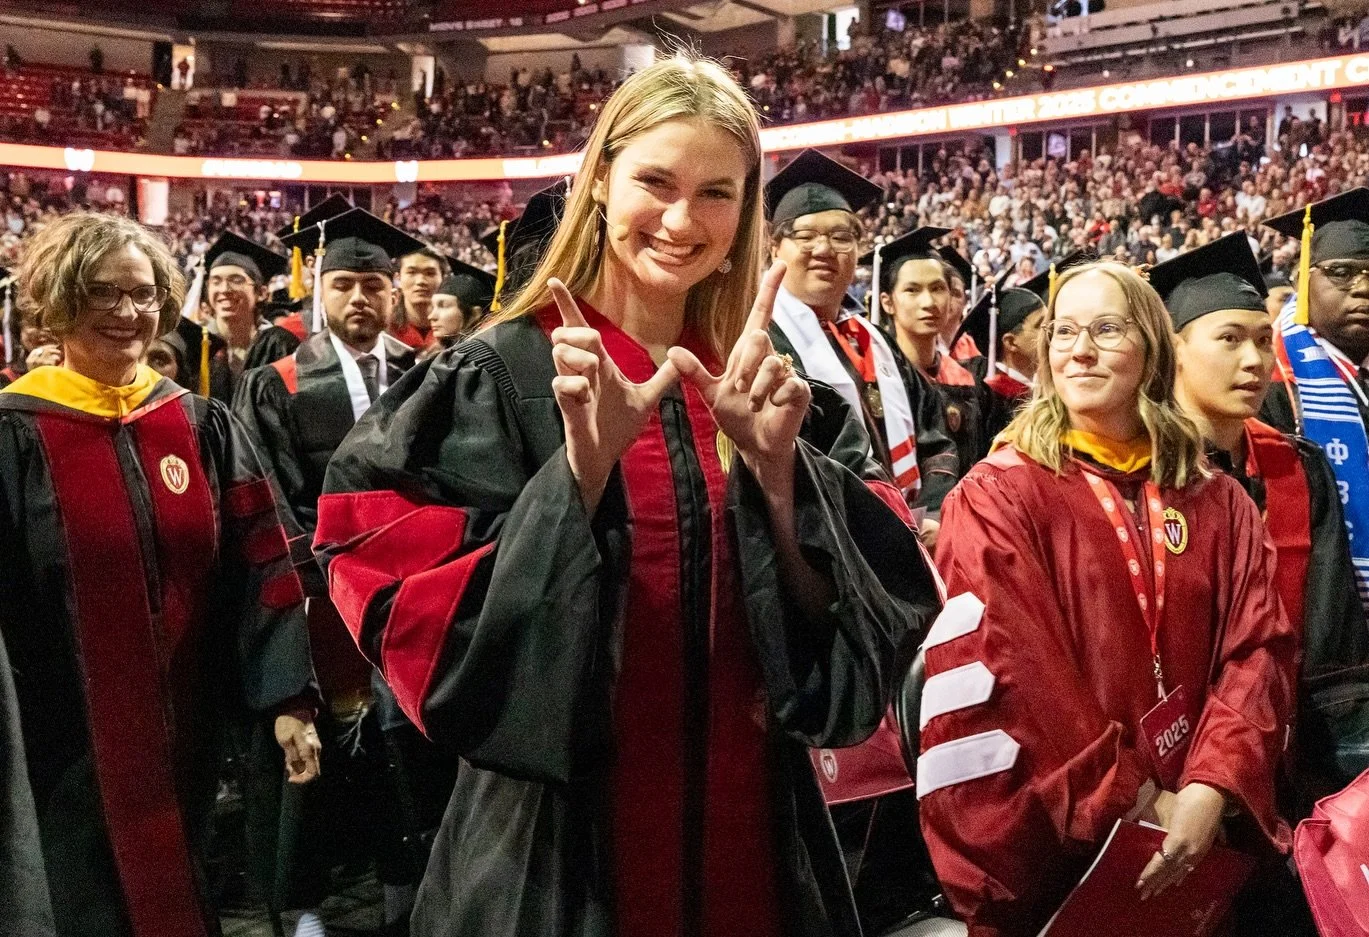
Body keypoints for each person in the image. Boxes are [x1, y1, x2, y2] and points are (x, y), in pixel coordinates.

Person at [314, 56, 940, 937]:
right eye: (655, 181)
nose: (683, 220)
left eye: (717, 193)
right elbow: (415, 616)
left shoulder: (768, 385)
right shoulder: (502, 374)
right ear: (600, 179)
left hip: (758, 842)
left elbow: (850, 647)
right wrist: (578, 480)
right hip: (554, 860)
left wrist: (777, 477)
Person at [919, 260, 1297, 937]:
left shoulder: (1217, 500)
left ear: (1151, 348)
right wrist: (1140, 800)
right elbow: (1016, 669)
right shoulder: (998, 494)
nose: (1078, 348)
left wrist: (1210, 788)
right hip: (1059, 846)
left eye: (1106, 328)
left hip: (1194, 826)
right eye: (1063, 330)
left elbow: (1256, 650)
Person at [0, 211, 320, 937]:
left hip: (187, 732)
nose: (128, 312)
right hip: (61, 744)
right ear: (59, 299)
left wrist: (287, 697)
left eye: (142, 294)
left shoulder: (200, 426)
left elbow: (262, 561)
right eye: (103, 293)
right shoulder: (14, 433)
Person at [236, 207, 442, 937]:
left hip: (408, 587)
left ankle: (401, 879)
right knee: (311, 744)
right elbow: (270, 489)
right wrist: (329, 567)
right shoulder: (277, 381)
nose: (360, 298)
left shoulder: (429, 374)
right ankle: (303, 903)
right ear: (319, 292)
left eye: (373, 285)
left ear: (392, 295)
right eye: (345, 284)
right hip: (317, 595)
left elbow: (442, 480)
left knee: (401, 737)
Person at [1154, 233, 1369, 826]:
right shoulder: (1135, 477)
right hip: (1172, 764)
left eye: (1261, 340)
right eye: (1229, 339)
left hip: (1290, 749)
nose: (1255, 361)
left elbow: (1331, 628)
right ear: (1171, 349)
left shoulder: (1298, 466)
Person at [765, 149, 959, 515]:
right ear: (775, 247)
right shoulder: (765, 339)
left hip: (916, 526)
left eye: (841, 237)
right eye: (805, 236)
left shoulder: (874, 339)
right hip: (835, 535)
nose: (824, 249)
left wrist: (933, 510)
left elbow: (934, 433)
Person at [1262, 188, 1369, 616]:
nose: (1363, 289)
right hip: (1315, 627)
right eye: (1342, 272)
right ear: (1303, 278)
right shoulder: (1269, 385)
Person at [875, 226, 992, 477]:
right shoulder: (876, 382)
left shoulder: (966, 380)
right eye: (912, 290)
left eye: (938, 288)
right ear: (887, 302)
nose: (928, 302)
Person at [955, 276, 1047, 442]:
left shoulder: (1042, 389)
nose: (1050, 332)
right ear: (1011, 342)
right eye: (1040, 326)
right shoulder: (990, 403)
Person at [201, 232, 300, 381]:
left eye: (236, 280)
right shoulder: (196, 345)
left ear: (261, 292)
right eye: (216, 281)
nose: (224, 289)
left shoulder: (280, 347)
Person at [426, 261, 495, 351]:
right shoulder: (431, 354)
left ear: (474, 314)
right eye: (433, 307)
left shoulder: (482, 357)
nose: (431, 316)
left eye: (443, 306)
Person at [389, 246, 446, 349]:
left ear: (443, 279)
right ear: (398, 279)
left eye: (430, 273)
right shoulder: (385, 328)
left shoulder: (455, 329)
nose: (421, 281)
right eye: (412, 272)